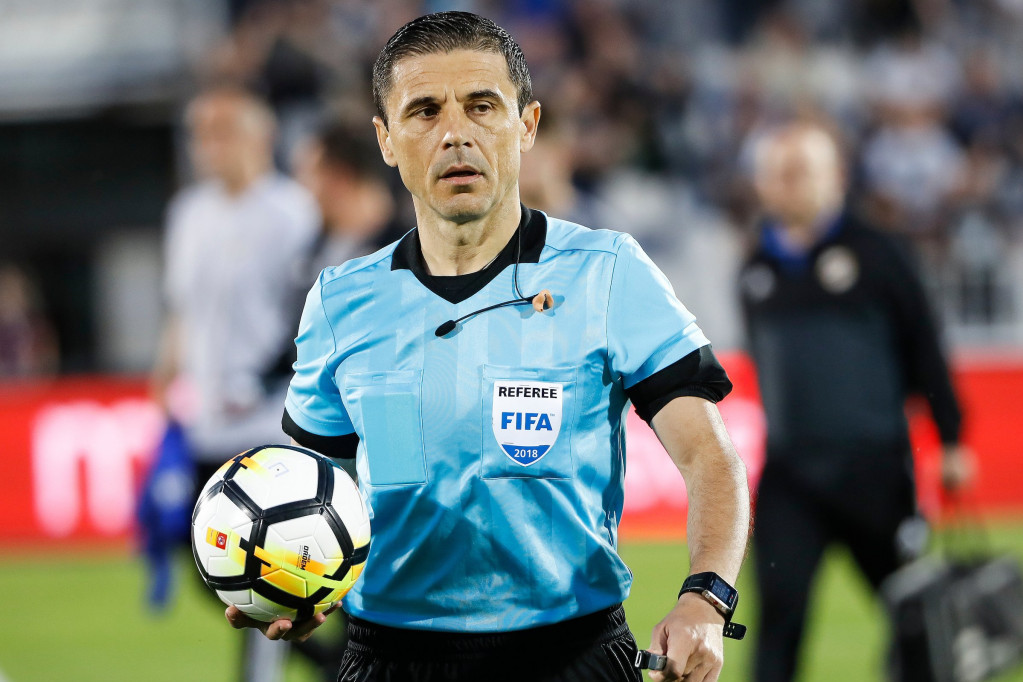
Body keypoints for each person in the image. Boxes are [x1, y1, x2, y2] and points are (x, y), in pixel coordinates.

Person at [227, 12, 751, 682]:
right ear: (386, 140)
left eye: (481, 106)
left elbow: (709, 455)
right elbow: (319, 491)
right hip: (389, 661)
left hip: (572, 657)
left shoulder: (608, 272)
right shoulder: (340, 302)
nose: (455, 133)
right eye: (424, 111)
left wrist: (706, 599)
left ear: (526, 125)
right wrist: (299, 584)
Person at [739, 121, 975, 682]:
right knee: (777, 618)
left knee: (914, 620)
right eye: (776, 173)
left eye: (800, 171)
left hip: (875, 471)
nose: (786, 183)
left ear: (837, 177)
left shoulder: (879, 253)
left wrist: (951, 437)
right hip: (792, 475)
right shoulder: (755, 268)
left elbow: (925, 346)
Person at [151, 85, 319, 682]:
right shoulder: (188, 213)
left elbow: (309, 310)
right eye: (200, 133)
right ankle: (332, 662)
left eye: (222, 131)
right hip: (206, 421)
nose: (208, 146)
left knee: (262, 564)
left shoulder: (294, 212)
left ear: (261, 135)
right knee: (206, 563)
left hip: (271, 420)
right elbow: (182, 309)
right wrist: (163, 382)